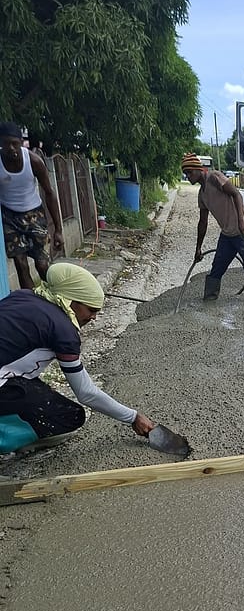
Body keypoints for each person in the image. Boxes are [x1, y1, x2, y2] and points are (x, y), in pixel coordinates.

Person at [0, 263, 155, 454]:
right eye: (91, 310)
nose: (94, 317)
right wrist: (133, 417)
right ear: (71, 301)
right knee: (70, 415)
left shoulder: (24, 296)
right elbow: (86, 393)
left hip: (7, 375)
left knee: (39, 391)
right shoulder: (63, 331)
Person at [181, 153, 244, 302]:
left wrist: (241, 221)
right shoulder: (202, 194)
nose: (188, 176)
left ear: (198, 169)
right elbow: (202, 223)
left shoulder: (214, 177)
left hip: (242, 229)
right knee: (217, 268)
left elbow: (236, 194)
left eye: (189, 172)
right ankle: (209, 300)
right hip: (227, 234)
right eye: (186, 173)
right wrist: (198, 248)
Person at [0, 122, 64, 290]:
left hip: (35, 215)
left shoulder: (34, 161)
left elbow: (49, 193)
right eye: (6, 143)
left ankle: (59, 301)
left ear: (21, 142)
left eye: (15, 143)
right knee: (21, 266)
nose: (11, 148)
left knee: (43, 266)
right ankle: (30, 306)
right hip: (9, 217)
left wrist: (58, 230)